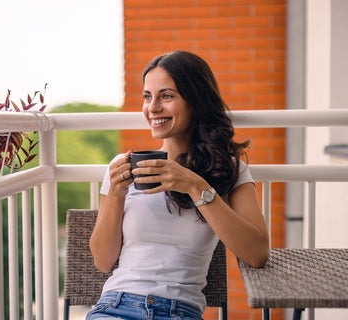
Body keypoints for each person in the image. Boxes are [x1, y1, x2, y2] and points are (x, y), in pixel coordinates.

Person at [87, 51, 269, 320]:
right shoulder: (124, 167)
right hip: (115, 306)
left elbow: (257, 254)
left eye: (167, 96)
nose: (153, 107)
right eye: (148, 96)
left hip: (179, 312)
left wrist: (195, 187)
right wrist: (115, 193)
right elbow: (103, 261)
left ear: (196, 101)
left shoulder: (228, 170)